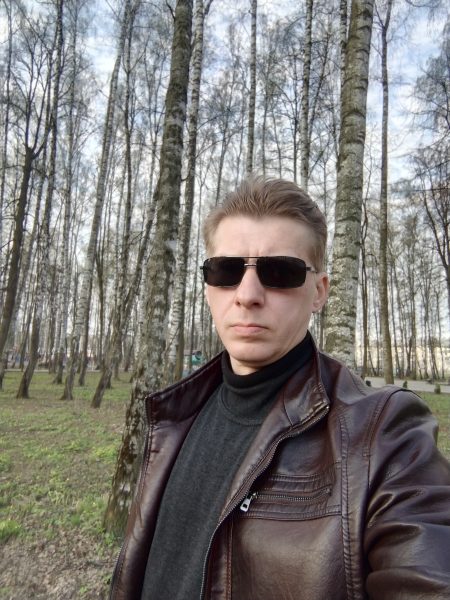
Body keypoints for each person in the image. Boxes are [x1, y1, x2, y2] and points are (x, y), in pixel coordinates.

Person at [110, 176, 450, 600]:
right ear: (208, 287)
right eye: (226, 270)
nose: (247, 294)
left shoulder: (380, 434)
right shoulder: (174, 416)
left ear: (319, 293)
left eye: (279, 272)